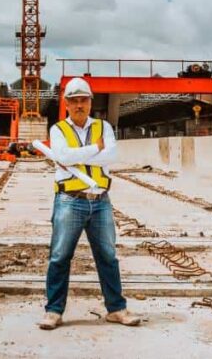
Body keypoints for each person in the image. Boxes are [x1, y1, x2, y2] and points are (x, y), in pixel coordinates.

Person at [39, 77, 142, 330]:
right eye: (73, 101)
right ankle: (54, 311)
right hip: (69, 201)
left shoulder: (103, 127)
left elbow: (112, 155)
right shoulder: (58, 130)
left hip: (100, 201)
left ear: (90, 102)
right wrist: (94, 150)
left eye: (83, 100)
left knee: (108, 256)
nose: (79, 105)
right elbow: (62, 156)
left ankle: (117, 309)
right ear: (66, 104)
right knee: (60, 256)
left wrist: (77, 157)